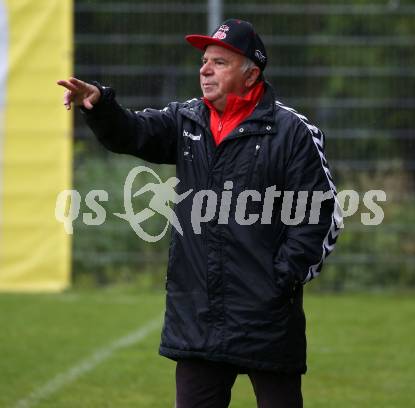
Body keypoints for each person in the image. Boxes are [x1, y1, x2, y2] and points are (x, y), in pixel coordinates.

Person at [58, 19, 343, 408]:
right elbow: (134, 132)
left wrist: (282, 279)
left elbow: (320, 215)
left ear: (251, 73)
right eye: (204, 61)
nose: (205, 69)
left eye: (220, 62)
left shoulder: (292, 131)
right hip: (198, 315)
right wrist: (100, 105)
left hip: (267, 316)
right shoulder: (187, 118)